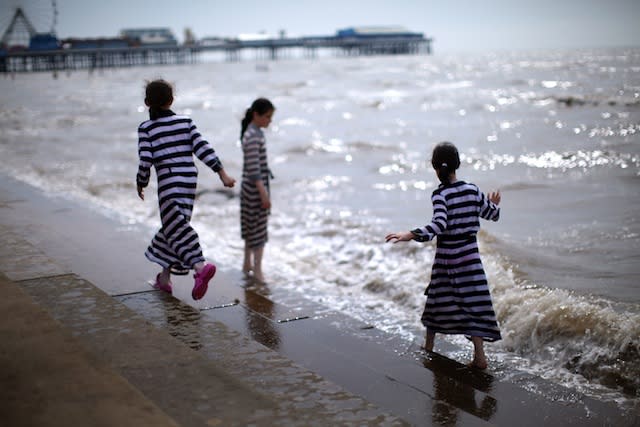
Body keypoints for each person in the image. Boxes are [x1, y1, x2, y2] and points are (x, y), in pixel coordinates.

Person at [385, 141, 502, 369]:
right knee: (474, 303)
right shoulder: (473, 190)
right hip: (470, 259)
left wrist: (410, 234)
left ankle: (429, 347)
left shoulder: (440, 195)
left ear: (436, 168)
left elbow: (439, 224)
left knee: (438, 300)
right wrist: (494, 205)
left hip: (448, 260)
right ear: (457, 165)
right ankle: (480, 356)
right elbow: (492, 215)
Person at [136, 79, 236, 300]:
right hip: (189, 181)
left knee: (176, 227)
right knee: (175, 227)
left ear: (146, 103)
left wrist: (141, 182)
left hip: (169, 182)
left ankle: (200, 267)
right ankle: (164, 279)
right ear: (171, 100)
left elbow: (145, 160)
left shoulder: (146, 128)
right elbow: (202, 147)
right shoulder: (185, 122)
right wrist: (221, 172)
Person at [240, 98, 275, 282]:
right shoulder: (253, 136)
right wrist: (264, 194)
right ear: (256, 115)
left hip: (248, 187)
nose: (270, 120)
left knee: (249, 227)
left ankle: (247, 264)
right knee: (258, 231)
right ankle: (257, 270)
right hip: (254, 190)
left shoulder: (252, 133)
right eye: (268, 117)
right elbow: (254, 171)